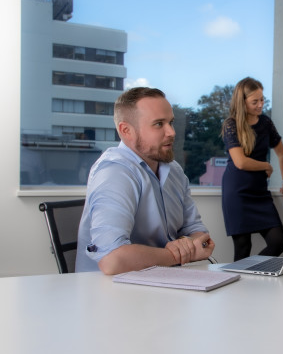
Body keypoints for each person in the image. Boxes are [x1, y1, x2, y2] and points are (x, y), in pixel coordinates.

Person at [76, 87, 215, 274]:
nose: (171, 132)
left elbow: (198, 234)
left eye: (171, 122)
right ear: (126, 131)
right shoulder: (115, 172)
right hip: (112, 288)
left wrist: (190, 243)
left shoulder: (173, 170)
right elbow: (112, 260)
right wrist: (178, 255)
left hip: (162, 280)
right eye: (158, 124)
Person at [221, 77, 283, 261]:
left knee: (279, 242)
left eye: (262, 100)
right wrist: (266, 165)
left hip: (259, 192)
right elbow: (240, 162)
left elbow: (281, 154)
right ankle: (241, 277)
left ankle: (250, 271)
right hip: (237, 192)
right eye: (255, 101)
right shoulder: (231, 124)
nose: (260, 104)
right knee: (243, 247)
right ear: (242, 102)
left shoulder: (266, 123)